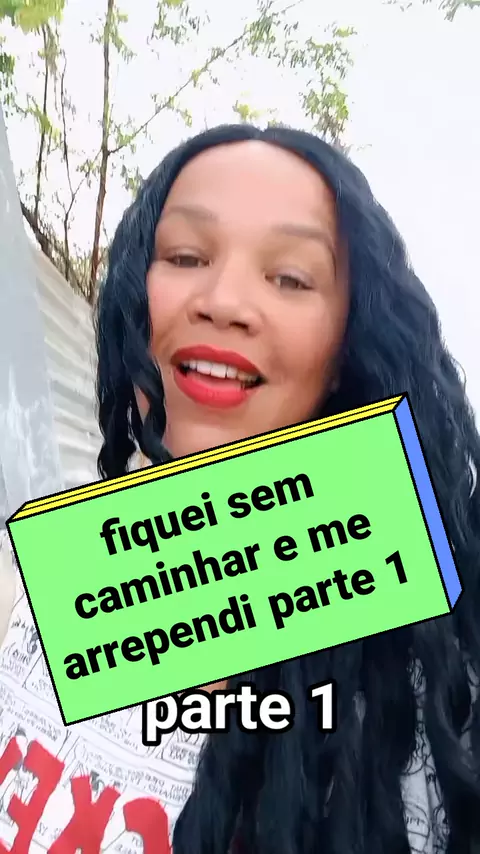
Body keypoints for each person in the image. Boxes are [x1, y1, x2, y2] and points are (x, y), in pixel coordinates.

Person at [84, 123, 480, 852]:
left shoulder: (445, 689)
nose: (224, 301)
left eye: (291, 278)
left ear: (345, 347)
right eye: (186, 257)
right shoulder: (28, 594)